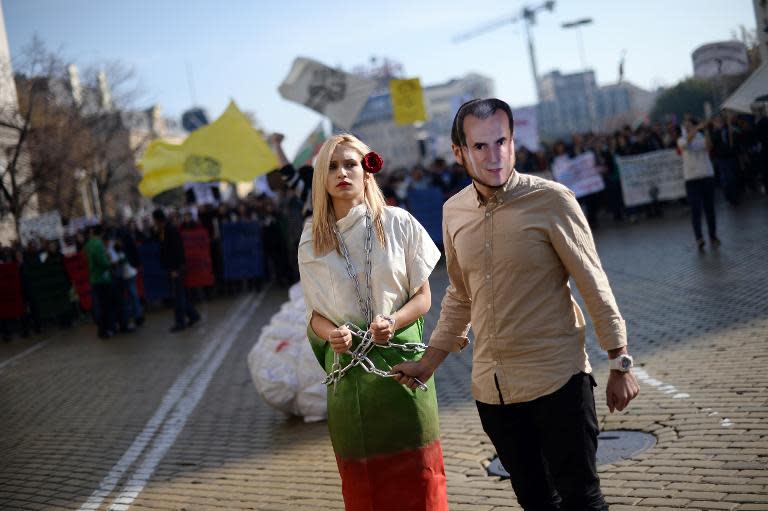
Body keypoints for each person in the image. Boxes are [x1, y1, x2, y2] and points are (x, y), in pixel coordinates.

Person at [393, 98, 639, 511]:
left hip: (557, 381)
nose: (495, 156)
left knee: (581, 498)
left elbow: (592, 282)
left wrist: (619, 361)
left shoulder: (552, 200)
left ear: (513, 141)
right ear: (459, 152)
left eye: (502, 142)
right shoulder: (453, 211)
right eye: (480, 147)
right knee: (536, 501)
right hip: (494, 393)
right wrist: (428, 363)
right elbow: (460, 293)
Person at [298, 134, 447, 510]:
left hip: (404, 376)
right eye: (331, 166)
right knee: (366, 494)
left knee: (422, 485)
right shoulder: (311, 239)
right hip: (352, 387)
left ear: (367, 171)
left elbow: (424, 297)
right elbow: (314, 315)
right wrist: (331, 334)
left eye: (350, 163)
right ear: (320, 178)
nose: (342, 172)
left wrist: (392, 321)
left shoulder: (399, 223)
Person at [152, 208, 201, 333]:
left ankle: (180, 322)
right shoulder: (163, 231)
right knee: (179, 295)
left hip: (176, 268)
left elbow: (177, 250)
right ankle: (193, 316)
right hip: (171, 267)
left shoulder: (171, 230)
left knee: (178, 296)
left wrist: (175, 268)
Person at [677, 119, 719, 250]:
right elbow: (686, 144)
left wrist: (705, 130)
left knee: (710, 209)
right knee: (696, 210)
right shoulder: (681, 139)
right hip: (692, 179)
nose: (687, 125)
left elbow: (709, 147)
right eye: (686, 125)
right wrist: (697, 128)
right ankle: (699, 238)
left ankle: (713, 236)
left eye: (689, 123)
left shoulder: (701, 137)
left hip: (706, 175)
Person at [84, 225, 116, 339]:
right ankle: (105, 330)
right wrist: (110, 261)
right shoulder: (98, 244)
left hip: (93, 278)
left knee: (99, 305)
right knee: (106, 306)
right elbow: (103, 262)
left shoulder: (88, 245)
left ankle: (103, 329)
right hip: (102, 278)